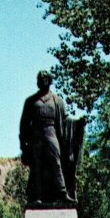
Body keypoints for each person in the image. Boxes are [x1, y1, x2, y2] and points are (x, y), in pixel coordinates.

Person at [19, 70, 76, 207]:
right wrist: (23, 143)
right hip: (36, 135)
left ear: (49, 81)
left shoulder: (57, 100)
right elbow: (24, 124)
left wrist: (77, 123)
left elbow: (65, 120)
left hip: (51, 132)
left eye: (44, 78)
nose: (42, 80)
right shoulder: (31, 101)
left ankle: (62, 193)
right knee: (37, 166)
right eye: (40, 78)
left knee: (56, 163)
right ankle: (37, 196)